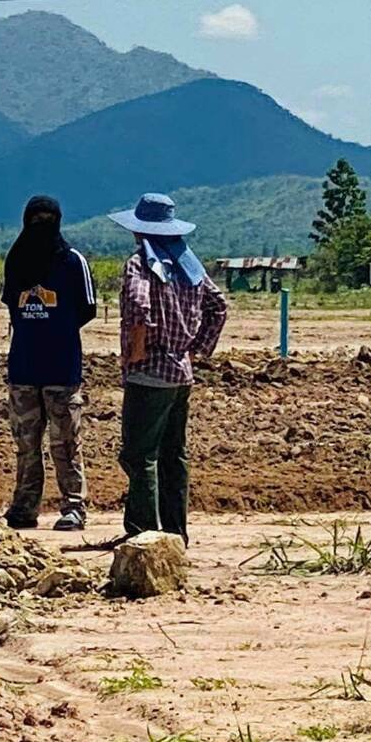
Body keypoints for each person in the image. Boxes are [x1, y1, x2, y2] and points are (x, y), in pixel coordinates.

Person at [109, 193, 228, 546]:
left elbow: (138, 305)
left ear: (140, 231)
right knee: (174, 455)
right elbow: (218, 307)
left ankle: (144, 533)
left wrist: (136, 352)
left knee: (139, 454)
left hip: (150, 371)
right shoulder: (189, 266)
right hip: (181, 373)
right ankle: (176, 531)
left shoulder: (140, 264)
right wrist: (196, 350)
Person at [0, 196, 97, 532]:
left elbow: (87, 308)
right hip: (23, 368)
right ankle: (24, 507)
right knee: (26, 445)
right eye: (35, 218)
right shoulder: (16, 260)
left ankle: (73, 508)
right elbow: (12, 305)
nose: (41, 224)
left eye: (47, 218)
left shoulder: (72, 262)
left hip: (61, 369)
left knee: (66, 443)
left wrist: (56, 331)